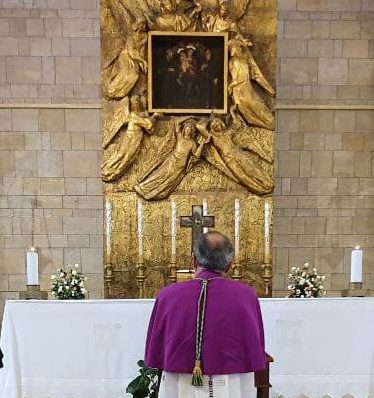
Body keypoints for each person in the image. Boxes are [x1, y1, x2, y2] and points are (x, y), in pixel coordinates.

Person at [145, 231, 266, 398]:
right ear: (229, 265)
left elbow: (157, 343)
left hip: (180, 379)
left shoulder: (168, 295)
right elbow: (253, 343)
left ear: (194, 260)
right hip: (231, 379)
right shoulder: (246, 296)